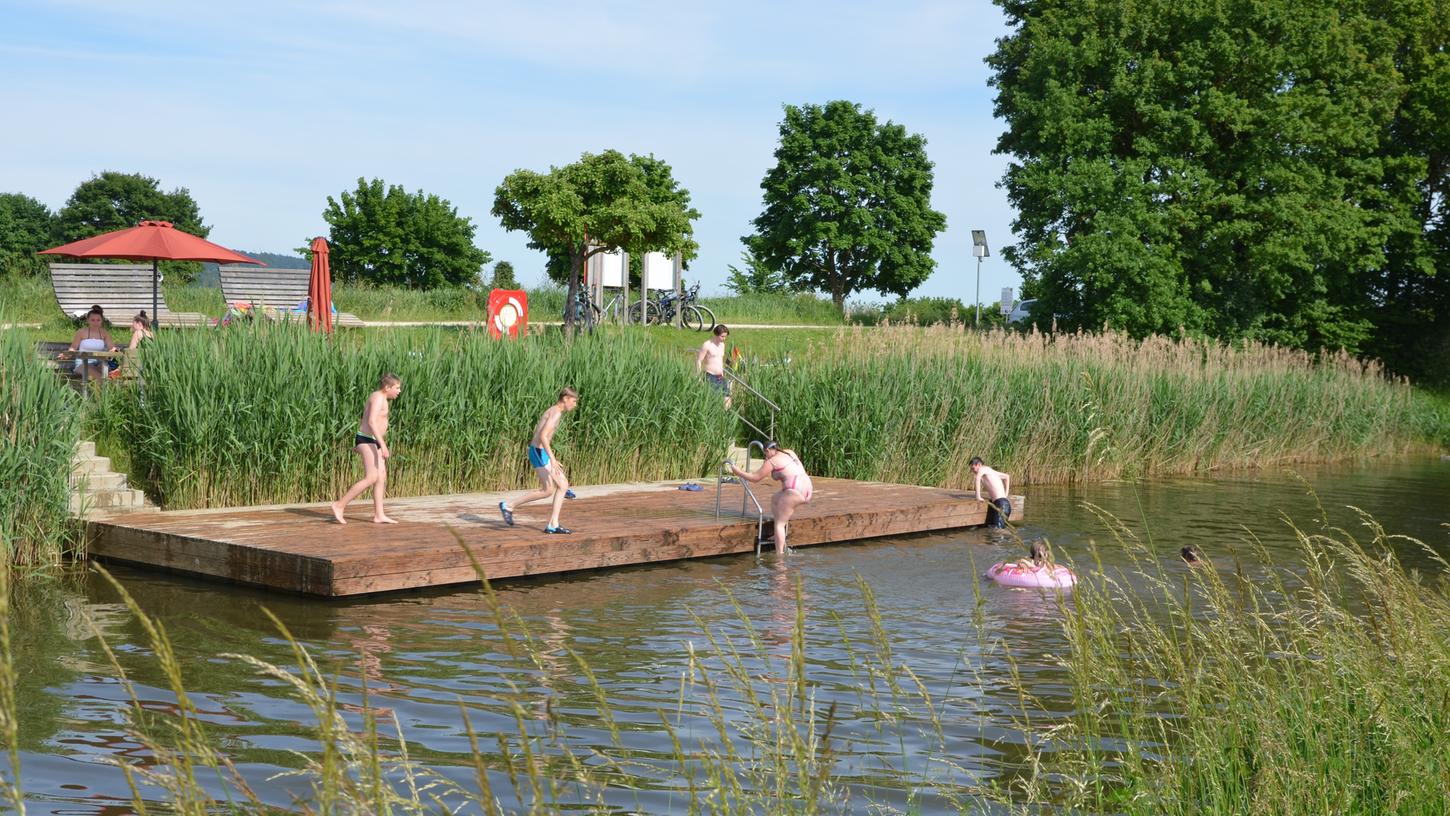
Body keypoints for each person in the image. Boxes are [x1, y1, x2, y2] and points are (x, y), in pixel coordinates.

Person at [499, 387, 580, 534]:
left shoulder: (555, 411)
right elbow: (543, 436)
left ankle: (552, 523)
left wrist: (550, 458)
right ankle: (510, 506)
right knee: (554, 488)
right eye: (574, 401)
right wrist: (553, 459)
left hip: (540, 453)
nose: (575, 405)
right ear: (566, 398)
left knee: (556, 487)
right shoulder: (555, 413)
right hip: (537, 452)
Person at [330, 373, 403, 525]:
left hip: (373, 440)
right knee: (372, 477)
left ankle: (379, 515)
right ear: (387, 387)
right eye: (396, 388)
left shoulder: (383, 399)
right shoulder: (377, 397)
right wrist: (382, 445)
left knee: (381, 476)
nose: (399, 391)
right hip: (367, 438)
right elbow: (371, 421)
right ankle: (339, 505)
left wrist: (379, 443)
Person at [728, 441, 813, 555]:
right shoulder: (789, 452)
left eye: (765, 454)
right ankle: (777, 535)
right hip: (807, 487)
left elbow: (755, 478)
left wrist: (737, 471)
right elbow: (780, 473)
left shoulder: (772, 461)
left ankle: (779, 557)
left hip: (794, 490)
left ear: (767, 451)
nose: (765, 457)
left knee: (779, 524)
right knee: (775, 499)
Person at [61, 305, 118, 384]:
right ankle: (102, 394)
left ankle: (101, 393)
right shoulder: (81, 332)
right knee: (100, 377)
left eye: (98, 320)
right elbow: (73, 348)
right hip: (83, 363)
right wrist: (67, 355)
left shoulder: (105, 333)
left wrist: (113, 351)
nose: (95, 323)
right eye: (93, 320)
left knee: (105, 373)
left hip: (99, 363)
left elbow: (112, 348)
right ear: (87, 320)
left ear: (102, 321)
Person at [695, 324, 732, 408]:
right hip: (710, 376)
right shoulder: (707, 345)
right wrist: (698, 377)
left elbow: (720, 361)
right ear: (716, 334)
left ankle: (726, 416)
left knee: (727, 397)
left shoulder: (722, 345)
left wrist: (722, 373)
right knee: (713, 400)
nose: (724, 339)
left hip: (720, 376)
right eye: (722, 336)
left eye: (725, 336)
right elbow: (699, 361)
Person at [970, 457, 1012, 528]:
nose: (973, 471)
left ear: (979, 465)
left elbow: (977, 479)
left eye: (973, 468)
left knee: (997, 532)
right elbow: (1007, 477)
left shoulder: (983, 469)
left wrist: (978, 497)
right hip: (1001, 503)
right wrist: (1006, 495)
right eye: (971, 469)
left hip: (1001, 505)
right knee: (993, 529)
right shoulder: (990, 471)